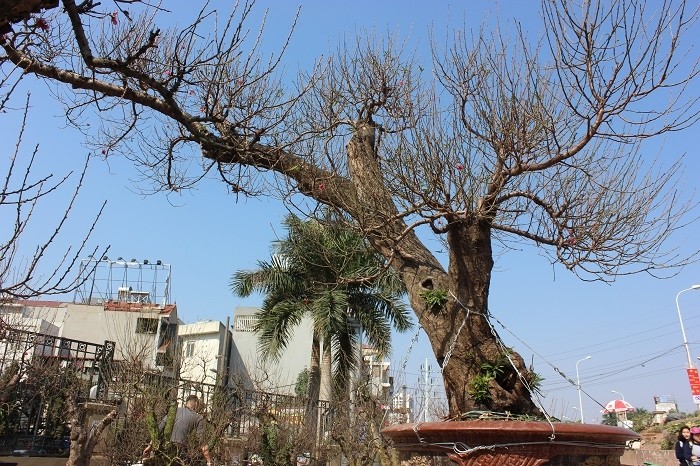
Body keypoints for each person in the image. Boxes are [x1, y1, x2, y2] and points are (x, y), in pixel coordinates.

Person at [143, 395, 213, 466]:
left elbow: (159, 428)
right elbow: (202, 441)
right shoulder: (198, 418)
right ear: (196, 403)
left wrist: (150, 446)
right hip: (180, 452)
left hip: (164, 449)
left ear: (186, 403)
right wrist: (209, 461)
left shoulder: (174, 411)